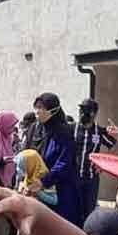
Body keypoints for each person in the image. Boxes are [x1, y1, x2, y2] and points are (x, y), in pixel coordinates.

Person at [33, 92, 81, 227]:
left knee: (60, 229)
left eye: (41, 108)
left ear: (53, 110)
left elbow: (64, 163)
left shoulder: (64, 132)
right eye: (36, 107)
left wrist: (44, 181)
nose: (38, 111)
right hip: (38, 188)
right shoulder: (37, 129)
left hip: (62, 190)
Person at [14, 148, 58, 235]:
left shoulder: (44, 177)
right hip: (25, 219)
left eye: (23, 166)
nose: (21, 169)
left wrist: (38, 192)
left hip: (40, 220)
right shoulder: (28, 177)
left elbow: (54, 200)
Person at [73, 98, 116, 225]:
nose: (82, 113)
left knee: (89, 210)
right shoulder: (71, 129)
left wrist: (102, 165)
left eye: (85, 110)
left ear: (93, 113)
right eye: (80, 110)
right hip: (73, 177)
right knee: (74, 209)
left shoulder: (100, 132)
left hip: (91, 179)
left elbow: (112, 146)